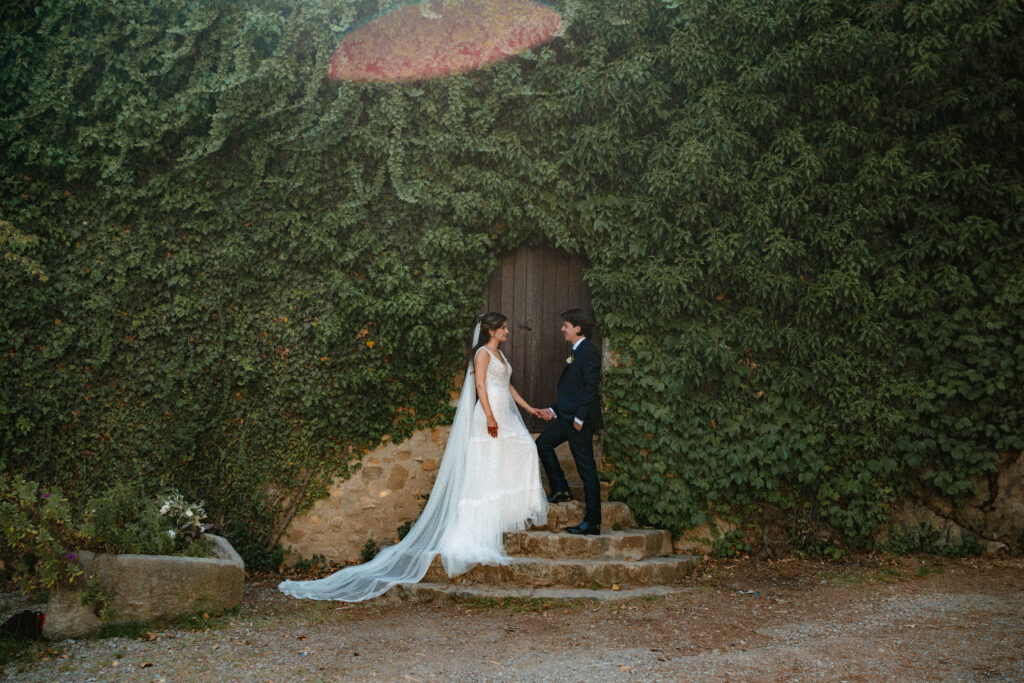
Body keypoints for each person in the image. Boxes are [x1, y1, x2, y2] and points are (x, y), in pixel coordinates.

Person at [278, 312, 548, 601]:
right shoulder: (482, 353)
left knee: (524, 450)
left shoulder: (501, 355)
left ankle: (509, 508)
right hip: (489, 414)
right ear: (493, 330)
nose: (508, 331)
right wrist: (490, 416)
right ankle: (480, 521)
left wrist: (529, 408)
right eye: (504, 328)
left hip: (505, 412)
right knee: (488, 463)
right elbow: (480, 385)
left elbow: (507, 385)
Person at [535, 308, 604, 535]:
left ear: (578, 328)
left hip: (578, 421)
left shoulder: (589, 352)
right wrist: (553, 411)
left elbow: (589, 388)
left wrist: (580, 418)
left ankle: (592, 522)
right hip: (567, 417)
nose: (562, 329)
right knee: (543, 443)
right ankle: (561, 488)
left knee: (586, 471)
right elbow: (572, 391)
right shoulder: (576, 351)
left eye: (565, 325)